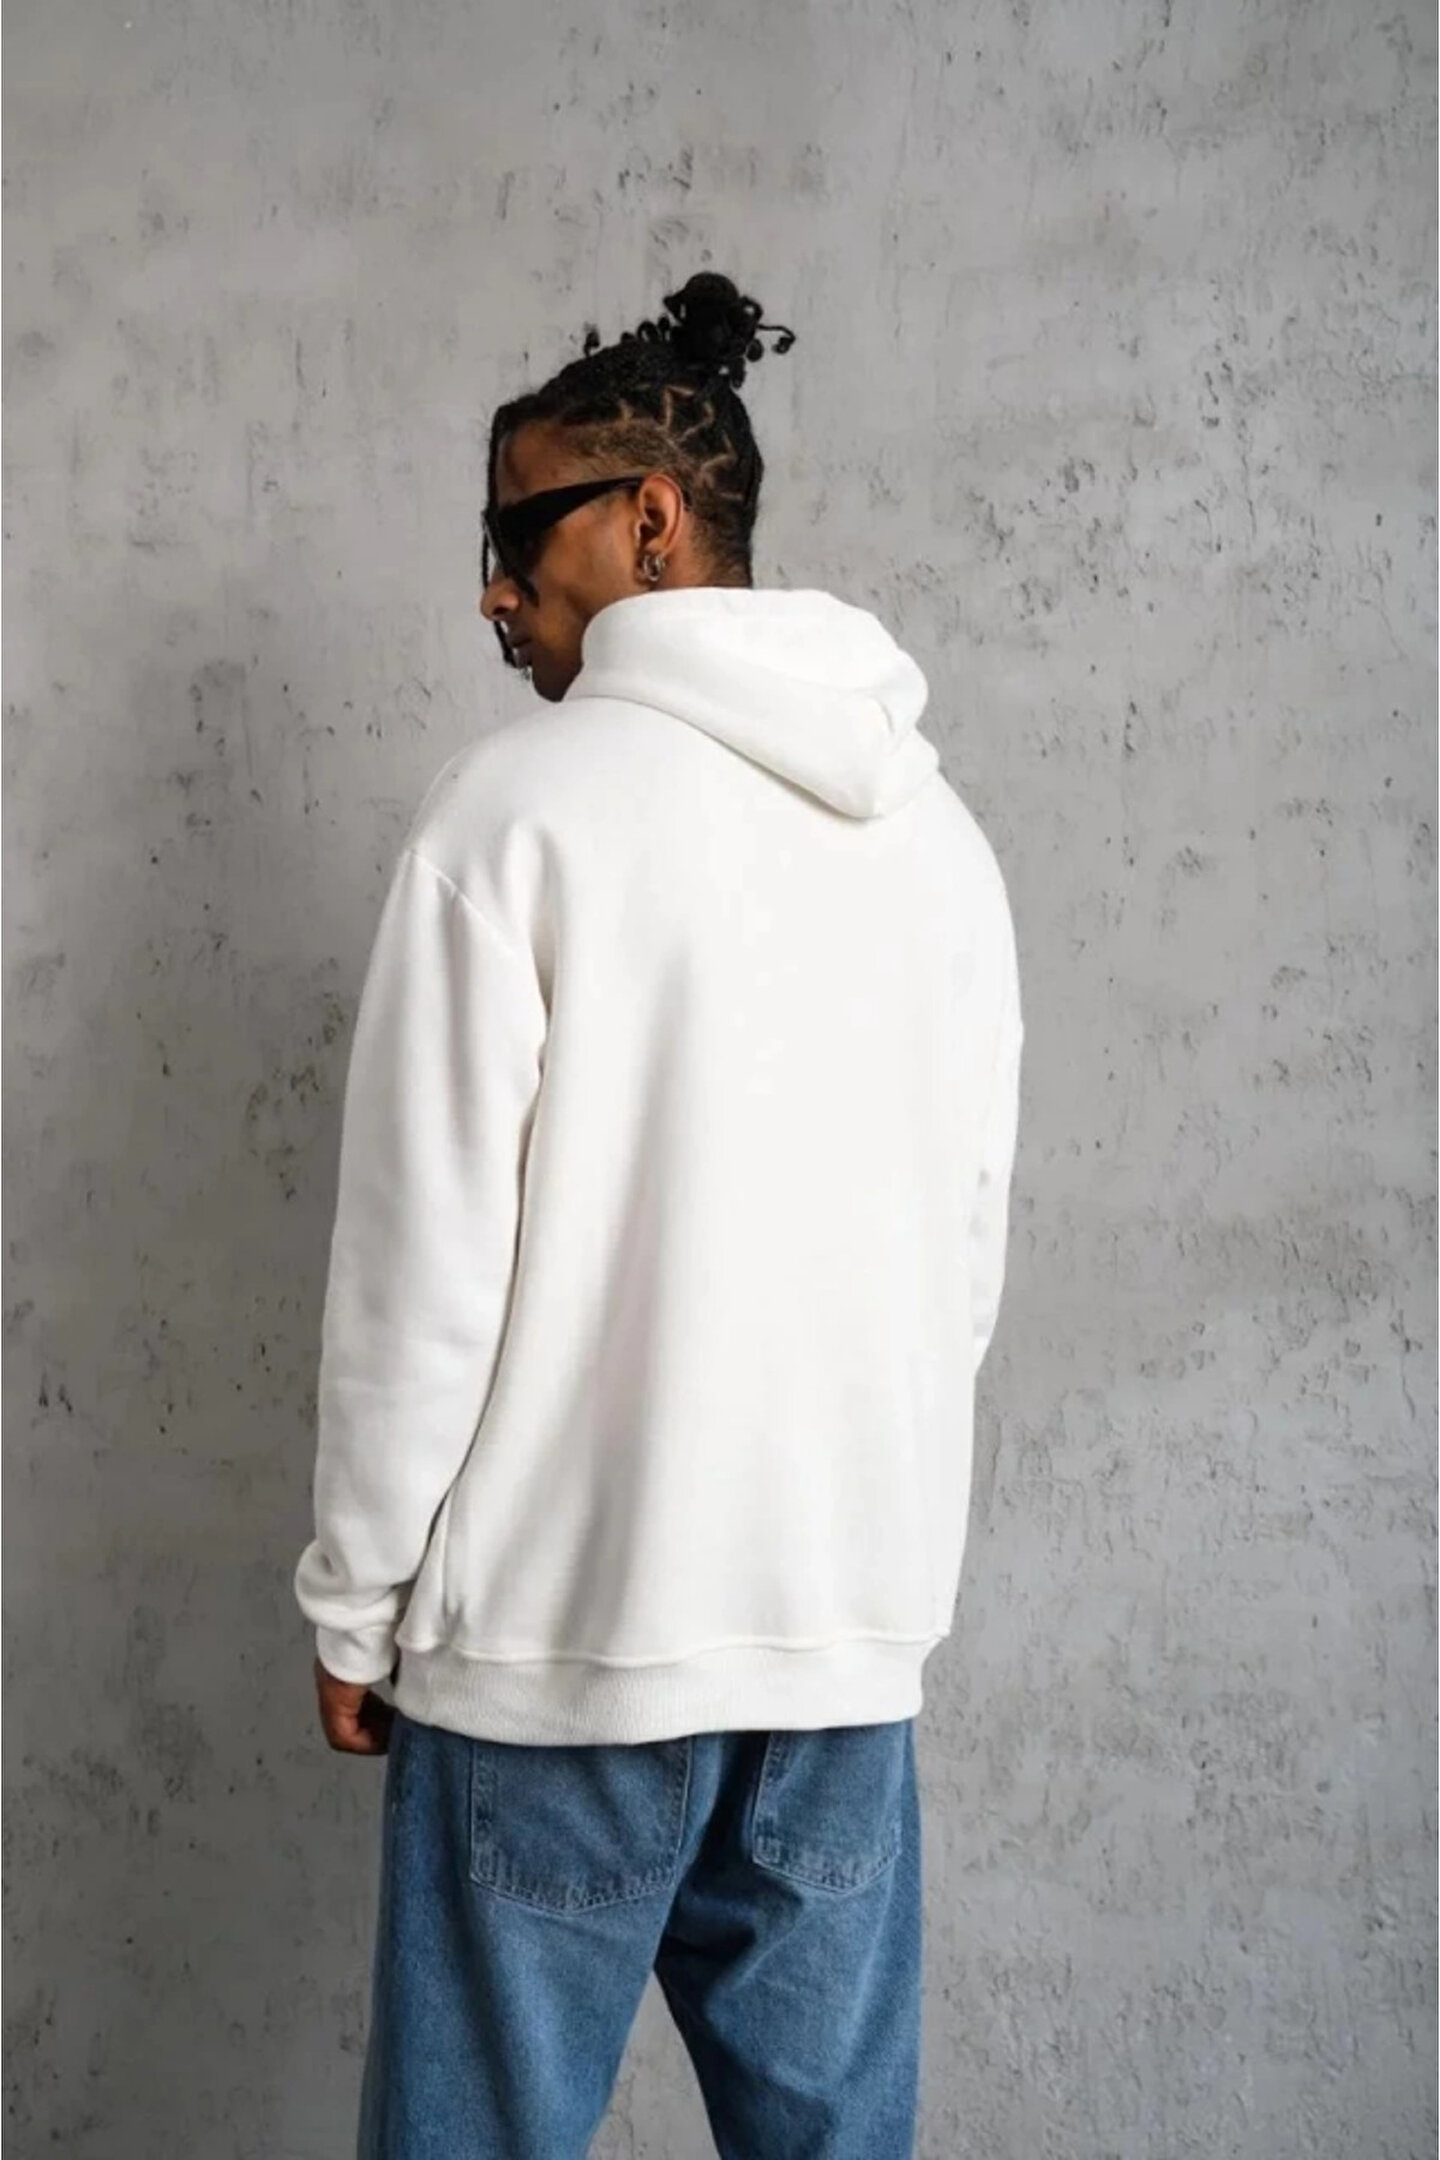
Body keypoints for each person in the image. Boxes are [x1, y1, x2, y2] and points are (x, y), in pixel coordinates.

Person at [294, 270, 1024, 2159]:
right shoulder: (935, 838)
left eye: (515, 534)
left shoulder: (511, 818)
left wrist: (357, 1603)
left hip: (562, 1658)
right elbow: (959, 1269)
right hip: (835, 1657)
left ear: (648, 517)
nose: (489, 590)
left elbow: (422, 1280)